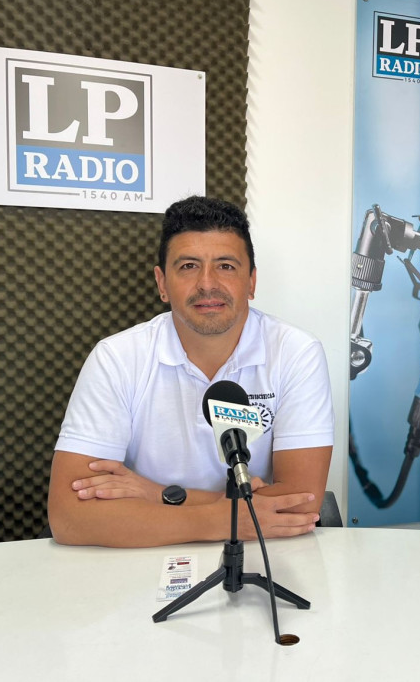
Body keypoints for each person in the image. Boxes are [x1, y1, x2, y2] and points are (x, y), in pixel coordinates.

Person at [47, 196, 334, 547]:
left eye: (226, 266)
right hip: (144, 558)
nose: (207, 284)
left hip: (258, 552)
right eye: (188, 266)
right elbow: (69, 516)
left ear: (252, 282)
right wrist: (224, 519)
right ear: (162, 283)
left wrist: (157, 494)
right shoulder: (117, 358)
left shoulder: (296, 353)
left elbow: (298, 507)